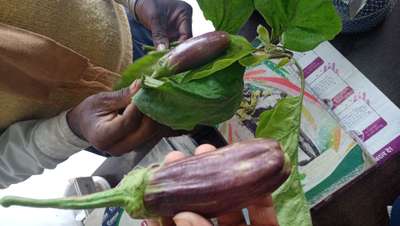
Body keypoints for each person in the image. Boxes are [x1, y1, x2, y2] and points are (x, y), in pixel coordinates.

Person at [0, 0, 279, 224]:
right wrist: (69, 130)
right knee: (195, 138)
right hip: (99, 126)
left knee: (213, 108)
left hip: (142, 37)